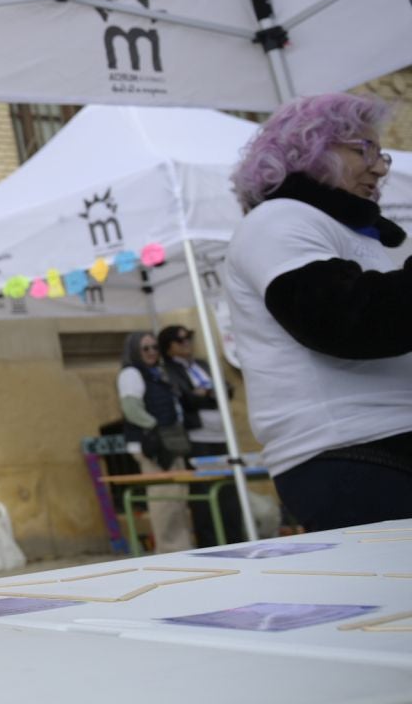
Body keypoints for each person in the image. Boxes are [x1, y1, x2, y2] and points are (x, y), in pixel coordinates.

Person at [224, 93, 411, 532]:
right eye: (362, 150)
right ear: (310, 150)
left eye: (380, 153)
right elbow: (341, 320)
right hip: (352, 451)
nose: (380, 167)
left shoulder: (346, 231)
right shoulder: (279, 220)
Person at [157, 323, 244, 545]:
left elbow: (228, 389)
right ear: (168, 347)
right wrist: (206, 395)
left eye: (189, 338)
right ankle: (210, 543)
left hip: (221, 433)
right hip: (196, 437)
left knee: (228, 490)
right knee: (203, 494)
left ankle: (237, 538)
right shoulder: (168, 369)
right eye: (180, 340)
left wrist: (204, 394)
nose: (187, 343)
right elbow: (185, 398)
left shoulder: (203, 364)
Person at [116, 331, 197, 554]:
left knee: (178, 497)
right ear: (134, 351)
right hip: (153, 445)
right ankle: (169, 548)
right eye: (145, 348)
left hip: (171, 441)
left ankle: (180, 546)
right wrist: (155, 427)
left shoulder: (155, 373)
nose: (152, 352)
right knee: (165, 499)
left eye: (154, 347)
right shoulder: (131, 373)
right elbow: (131, 409)